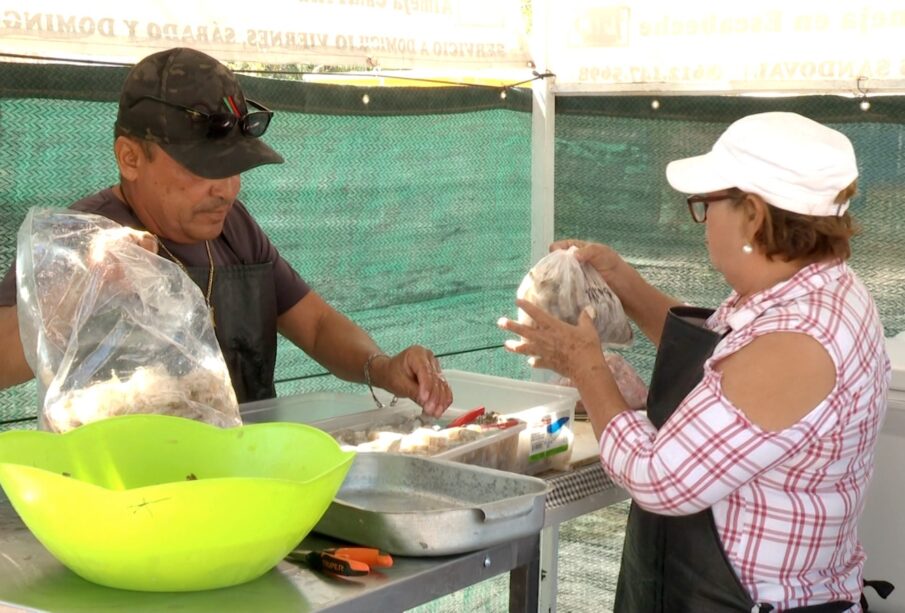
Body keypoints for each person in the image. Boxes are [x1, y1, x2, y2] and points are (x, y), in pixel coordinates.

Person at [499, 112, 892, 611]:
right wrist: (618, 277)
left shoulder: (797, 342)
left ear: (752, 213)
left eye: (706, 206)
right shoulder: (815, 293)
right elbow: (714, 348)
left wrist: (586, 368)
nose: (702, 225)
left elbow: (659, 479)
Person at [0, 47, 452, 418]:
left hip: (240, 476)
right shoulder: (79, 240)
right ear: (130, 158)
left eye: (235, 167)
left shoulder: (235, 230)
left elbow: (314, 325)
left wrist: (383, 367)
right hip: (127, 498)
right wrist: (80, 286)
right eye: (204, 168)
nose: (228, 189)